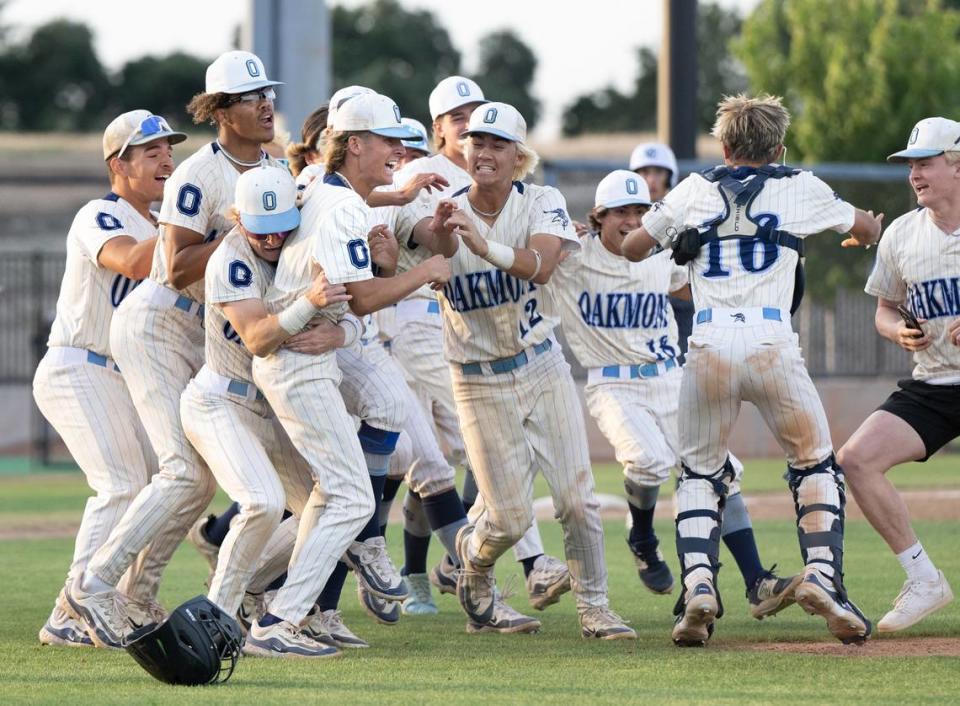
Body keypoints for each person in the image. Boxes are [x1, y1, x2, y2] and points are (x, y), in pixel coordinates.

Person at [621, 94, 883, 646]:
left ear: (724, 146)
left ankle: (697, 586)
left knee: (698, 471)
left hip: (709, 341)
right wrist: (866, 228)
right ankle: (823, 578)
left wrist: (679, 242)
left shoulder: (692, 189)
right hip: (771, 341)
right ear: (779, 147)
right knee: (813, 461)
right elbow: (866, 228)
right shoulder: (801, 186)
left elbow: (632, 246)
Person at [65, 50, 282, 649]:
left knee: (197, 480)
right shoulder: (198, 176)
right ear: (219, 110)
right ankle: (94, 583)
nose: (266, 103)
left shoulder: (280, 167)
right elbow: (175, 266)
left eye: (268, 92)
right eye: (250, 96)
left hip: (205, 336)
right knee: (183, 470)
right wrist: (242, 230)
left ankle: (135, 595)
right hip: (160, 322)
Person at [397, 102, 634, 639]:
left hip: (540, 363)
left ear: (517, 156)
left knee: (577, 497)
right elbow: (407, 251)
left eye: (497, 144)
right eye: (477, 142)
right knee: (507, 518)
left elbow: (543, 265)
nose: (484, 152)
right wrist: (432, 236)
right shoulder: (441, 202)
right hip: (475, 377)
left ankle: (594, 608)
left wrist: (484, 245)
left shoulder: (542, 199)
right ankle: (473, 565)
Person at [247, 91, 452, 652]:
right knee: (350, 498)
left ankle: (251, 590)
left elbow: (354, 297)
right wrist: (424, 270)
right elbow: (362, 299)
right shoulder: (342, 208)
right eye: (388, 140)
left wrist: (401, 193)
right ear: (354, 144)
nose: (399, 150)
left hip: (319, 344)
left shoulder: (318, 183)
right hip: (301, 357)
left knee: (388, 404)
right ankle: (279, 620)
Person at [554, 170, 799, 619]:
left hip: (670, 375)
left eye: (639, 210)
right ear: (598, 216)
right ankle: (643, 538)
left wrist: (698, 256)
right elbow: (536, 260)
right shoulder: (575, 257)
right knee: (648, 461)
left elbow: (701, 285)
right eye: (619, 212)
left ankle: (757, 581)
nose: (631, 220)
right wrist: (557, 231)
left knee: (721, 472)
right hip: (613, 382)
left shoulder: (656, 253)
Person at [392, 78, 571, 616]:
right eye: (458, 117)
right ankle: (525, 563)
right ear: (438, 127)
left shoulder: (497, 177)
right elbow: (416, 248)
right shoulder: (418, 177)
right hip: (424, 320)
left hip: (486, 321)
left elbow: (533, 252)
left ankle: (440, 565)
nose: (471, 125)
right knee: (450, 458)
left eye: (476, 114)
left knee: (438, 463)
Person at [179, 164, 358, 658]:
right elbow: (258, 339)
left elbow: (346, 310)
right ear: (238, 218)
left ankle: (254, 596)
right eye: (261, 227)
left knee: (322, 510)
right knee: (260, 500)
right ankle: (215, 621)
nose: (273, 236)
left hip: (266, 405)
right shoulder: (231, 259)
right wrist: (310, 299)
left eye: (282, 224)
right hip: (221, 400)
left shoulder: (296, 242)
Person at [34, 110, 185, 647]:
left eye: (169, 149)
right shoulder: (99, 213)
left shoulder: (163, 221)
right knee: (122, 484)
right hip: (79, 364)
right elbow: (131, 262)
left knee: (163, 485)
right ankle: (72, 609)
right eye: (152, 152)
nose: (167, 158)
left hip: (122, 374)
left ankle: (121, 599)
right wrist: (189, 224)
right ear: (118, 163)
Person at [838, 116, 960, 633]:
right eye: (911, 163)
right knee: (857, 460)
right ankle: (924, 579)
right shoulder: (902, 235)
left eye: (927, 161)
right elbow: (885, 310)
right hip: (934, 383)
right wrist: (896, 332)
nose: (915, 173)